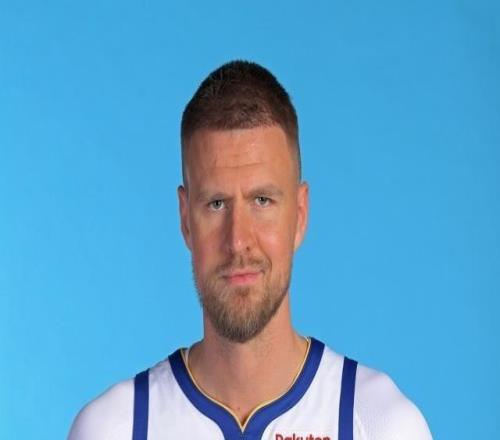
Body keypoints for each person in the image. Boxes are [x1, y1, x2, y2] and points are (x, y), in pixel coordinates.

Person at [68, 60, 432, 440]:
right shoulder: (115, 428)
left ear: (300, 214)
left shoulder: (378, 424)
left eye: (262, 200)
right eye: (216, 204)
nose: (238, 240)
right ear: (185, 219)